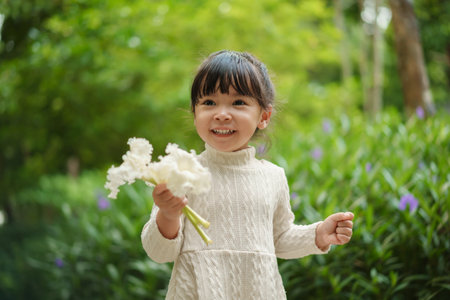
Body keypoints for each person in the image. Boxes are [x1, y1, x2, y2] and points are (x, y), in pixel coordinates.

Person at [141, 50, 354, 299]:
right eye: (208, 102)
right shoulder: (182, 173)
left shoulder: (273, 177)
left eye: (238, 102)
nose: (221, 113)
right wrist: (168, 214)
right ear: (195, 112)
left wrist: (317, 234)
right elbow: (159, 252)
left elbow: (279, 238)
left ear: (263, 116)